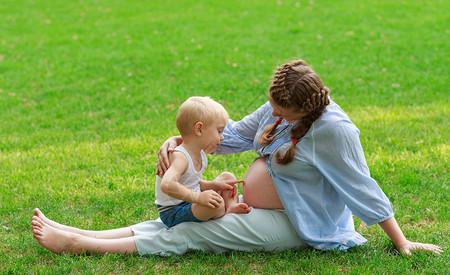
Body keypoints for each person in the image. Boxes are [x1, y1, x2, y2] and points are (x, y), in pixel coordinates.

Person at [31, 59, 442, 256]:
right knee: (181, 218)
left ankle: (78, 245)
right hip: (259, 206)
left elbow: (361, 186)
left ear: (306, 107)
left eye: (283, 112)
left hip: (299, 225)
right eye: (272, 106)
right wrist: (178, 142)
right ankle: (86, 233)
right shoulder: (279, 105)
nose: (273, 114)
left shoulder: (334, 130)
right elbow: (235, 135)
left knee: (197, 231)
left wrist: (402, 242)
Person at [154, 96, 250, 228]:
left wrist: (214, 185)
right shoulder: (180, 157)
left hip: (190, 201)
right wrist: (198, 198)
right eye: (219, 131)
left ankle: (231, 206)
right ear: (199, 129)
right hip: (174, 211)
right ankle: (223, 209)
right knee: (217, 205)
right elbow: (167, 184)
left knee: (227, 177)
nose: (222, 137)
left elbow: (191, 182)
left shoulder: (199, 153)